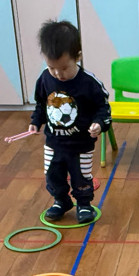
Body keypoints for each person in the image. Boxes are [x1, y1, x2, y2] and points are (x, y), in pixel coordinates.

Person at [28, 20, 111, 224]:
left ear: (78, 57)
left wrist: (99, 124)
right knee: (52, 175)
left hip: (81, 145)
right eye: (52, 68)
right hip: (53, 143)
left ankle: (83, 204)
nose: (58, 74)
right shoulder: (45, 79)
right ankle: (61, 201)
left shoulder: (89, 83)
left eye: (64, 68)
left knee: (81, 176)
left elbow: (104, 109)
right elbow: (41, 104)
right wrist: (35, 121)